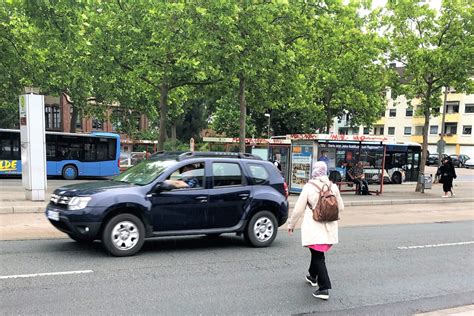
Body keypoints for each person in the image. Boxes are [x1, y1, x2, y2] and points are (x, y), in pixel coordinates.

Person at [287, 161, 344, 301]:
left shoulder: (309, 187)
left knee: (319, 256)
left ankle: (324, 288)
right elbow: (341, 207)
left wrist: (291, 224)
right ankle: (312, 276)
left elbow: (299, 208)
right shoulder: (333, 186)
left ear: (314, 171)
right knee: (316, 252)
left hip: (314, 226)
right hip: (328, 227)